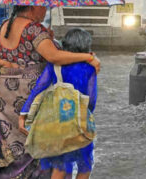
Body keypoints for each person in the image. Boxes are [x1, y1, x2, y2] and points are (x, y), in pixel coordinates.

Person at [0, 6, 100, 179]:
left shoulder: (5, 25)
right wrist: (88, 57)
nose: (45, 10)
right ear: (32, 6)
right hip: (30, 100)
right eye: (43, 6)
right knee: (42, 149)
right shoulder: (34, 30)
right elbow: (54, 57)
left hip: (4, 102)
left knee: (13, 151)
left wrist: (49, 40)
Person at [19, 28, 97, 179]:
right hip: (80, 123)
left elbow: (38, 89)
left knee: (60, 166)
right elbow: (92, 100)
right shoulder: (89, 68)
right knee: (84, 165)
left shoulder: (55, 65)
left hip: (58, 124)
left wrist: (24, 112)